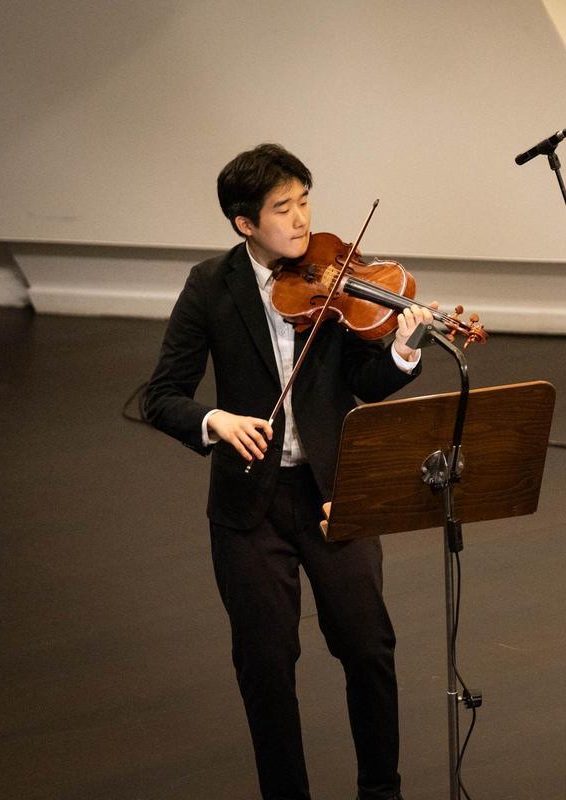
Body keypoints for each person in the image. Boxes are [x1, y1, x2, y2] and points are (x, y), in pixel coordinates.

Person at [143, 143, 432, 800]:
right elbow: (162, 394)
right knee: (267, 666)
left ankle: (381, 791)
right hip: (251, 505)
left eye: (305, 201)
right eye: (283, 208)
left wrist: (404, 352)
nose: (301, 220)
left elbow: (364, 379)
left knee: (369, 649)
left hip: (334, 491)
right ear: (245, 223)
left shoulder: (332, 274)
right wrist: (216, 422)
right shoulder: (210, 286)